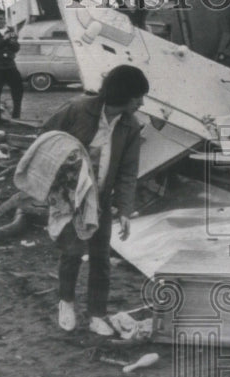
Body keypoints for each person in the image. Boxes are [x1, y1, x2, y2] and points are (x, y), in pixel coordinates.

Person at [41, 65, 149, 336]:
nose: (142, 103)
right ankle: (66, 302)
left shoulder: (130, 125)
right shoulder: (77, 109)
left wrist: (124, 209)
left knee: (101, 259)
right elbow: (45, 138)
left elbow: (128, 170)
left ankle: (97, 314)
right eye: (138, 98)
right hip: (70, 196)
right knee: (73, 252)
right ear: (123, 94)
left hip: (101, 199)